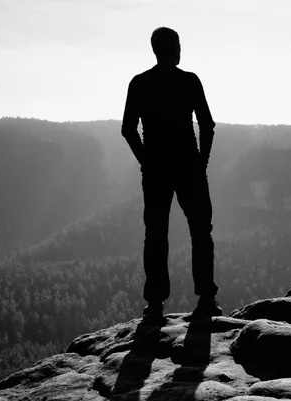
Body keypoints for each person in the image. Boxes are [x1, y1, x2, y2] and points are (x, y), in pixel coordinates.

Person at [121, 27, 221, 321]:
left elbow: (128, 130)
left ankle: (154, 305)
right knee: (201, 231)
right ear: (176, 48)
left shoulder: (139, 83)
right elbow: (207, 124)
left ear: (154, 50)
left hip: (155, 169)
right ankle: (206, 298)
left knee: (155, 234)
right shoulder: (189, 81)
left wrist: (145, 160)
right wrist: (202, 161)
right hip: (188, 165)